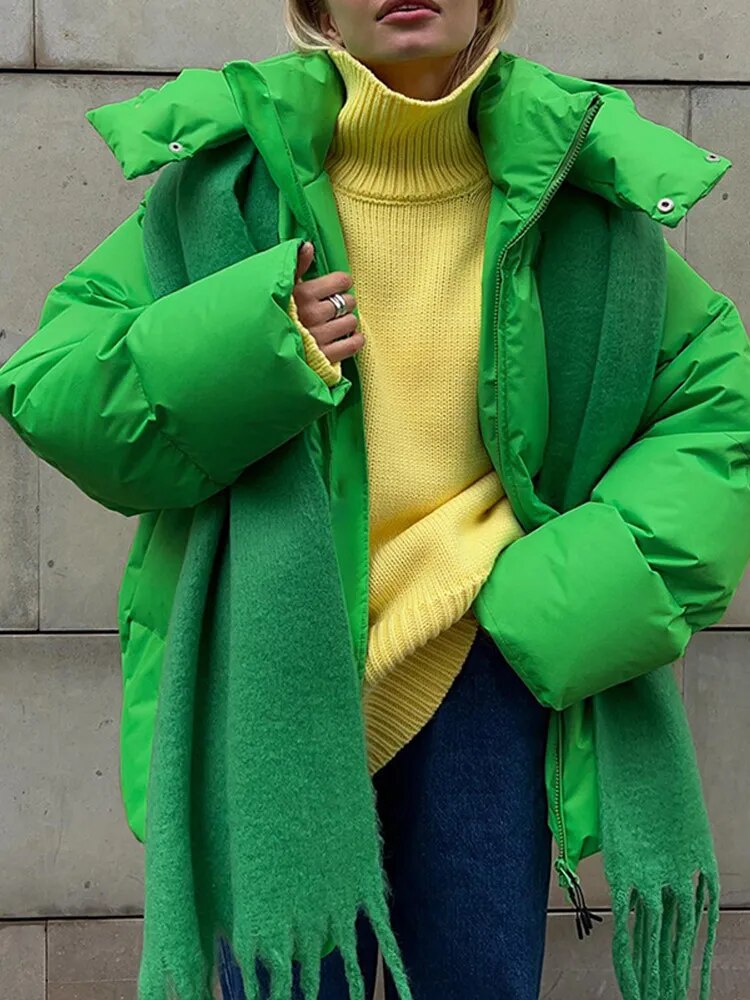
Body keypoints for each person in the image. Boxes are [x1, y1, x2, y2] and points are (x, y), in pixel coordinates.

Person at [1, 2, 749, 999]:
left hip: (485, 677)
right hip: (278, 693)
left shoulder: (568, 189)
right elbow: (52, 385)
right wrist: (254, 342)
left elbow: (721, 402)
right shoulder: (230, 187)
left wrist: (564, 596)